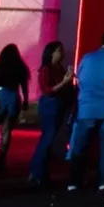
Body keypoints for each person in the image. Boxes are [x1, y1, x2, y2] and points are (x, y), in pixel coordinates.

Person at [68, 29, 104, 192]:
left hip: (86, 109)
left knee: (80, 146)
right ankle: (103, 181)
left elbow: (80, 79)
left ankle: (74, 181)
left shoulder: (87, 58)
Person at [30, 41, 76, 187]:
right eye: (58, 50)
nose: (61, 53)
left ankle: (41, 173)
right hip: (50, 105)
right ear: (51, 53)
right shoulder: (46, 69)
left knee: (50, 139)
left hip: (59, 104)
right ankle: (36, 173)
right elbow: (47, 90)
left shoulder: (59, 68)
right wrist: (64, 82)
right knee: (47, 139)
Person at [0, 43, 30, 173]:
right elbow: (24, 86)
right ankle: (2, 158)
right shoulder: (21, 68)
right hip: (13, 97)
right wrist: (25, 101)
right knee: (6, 130)